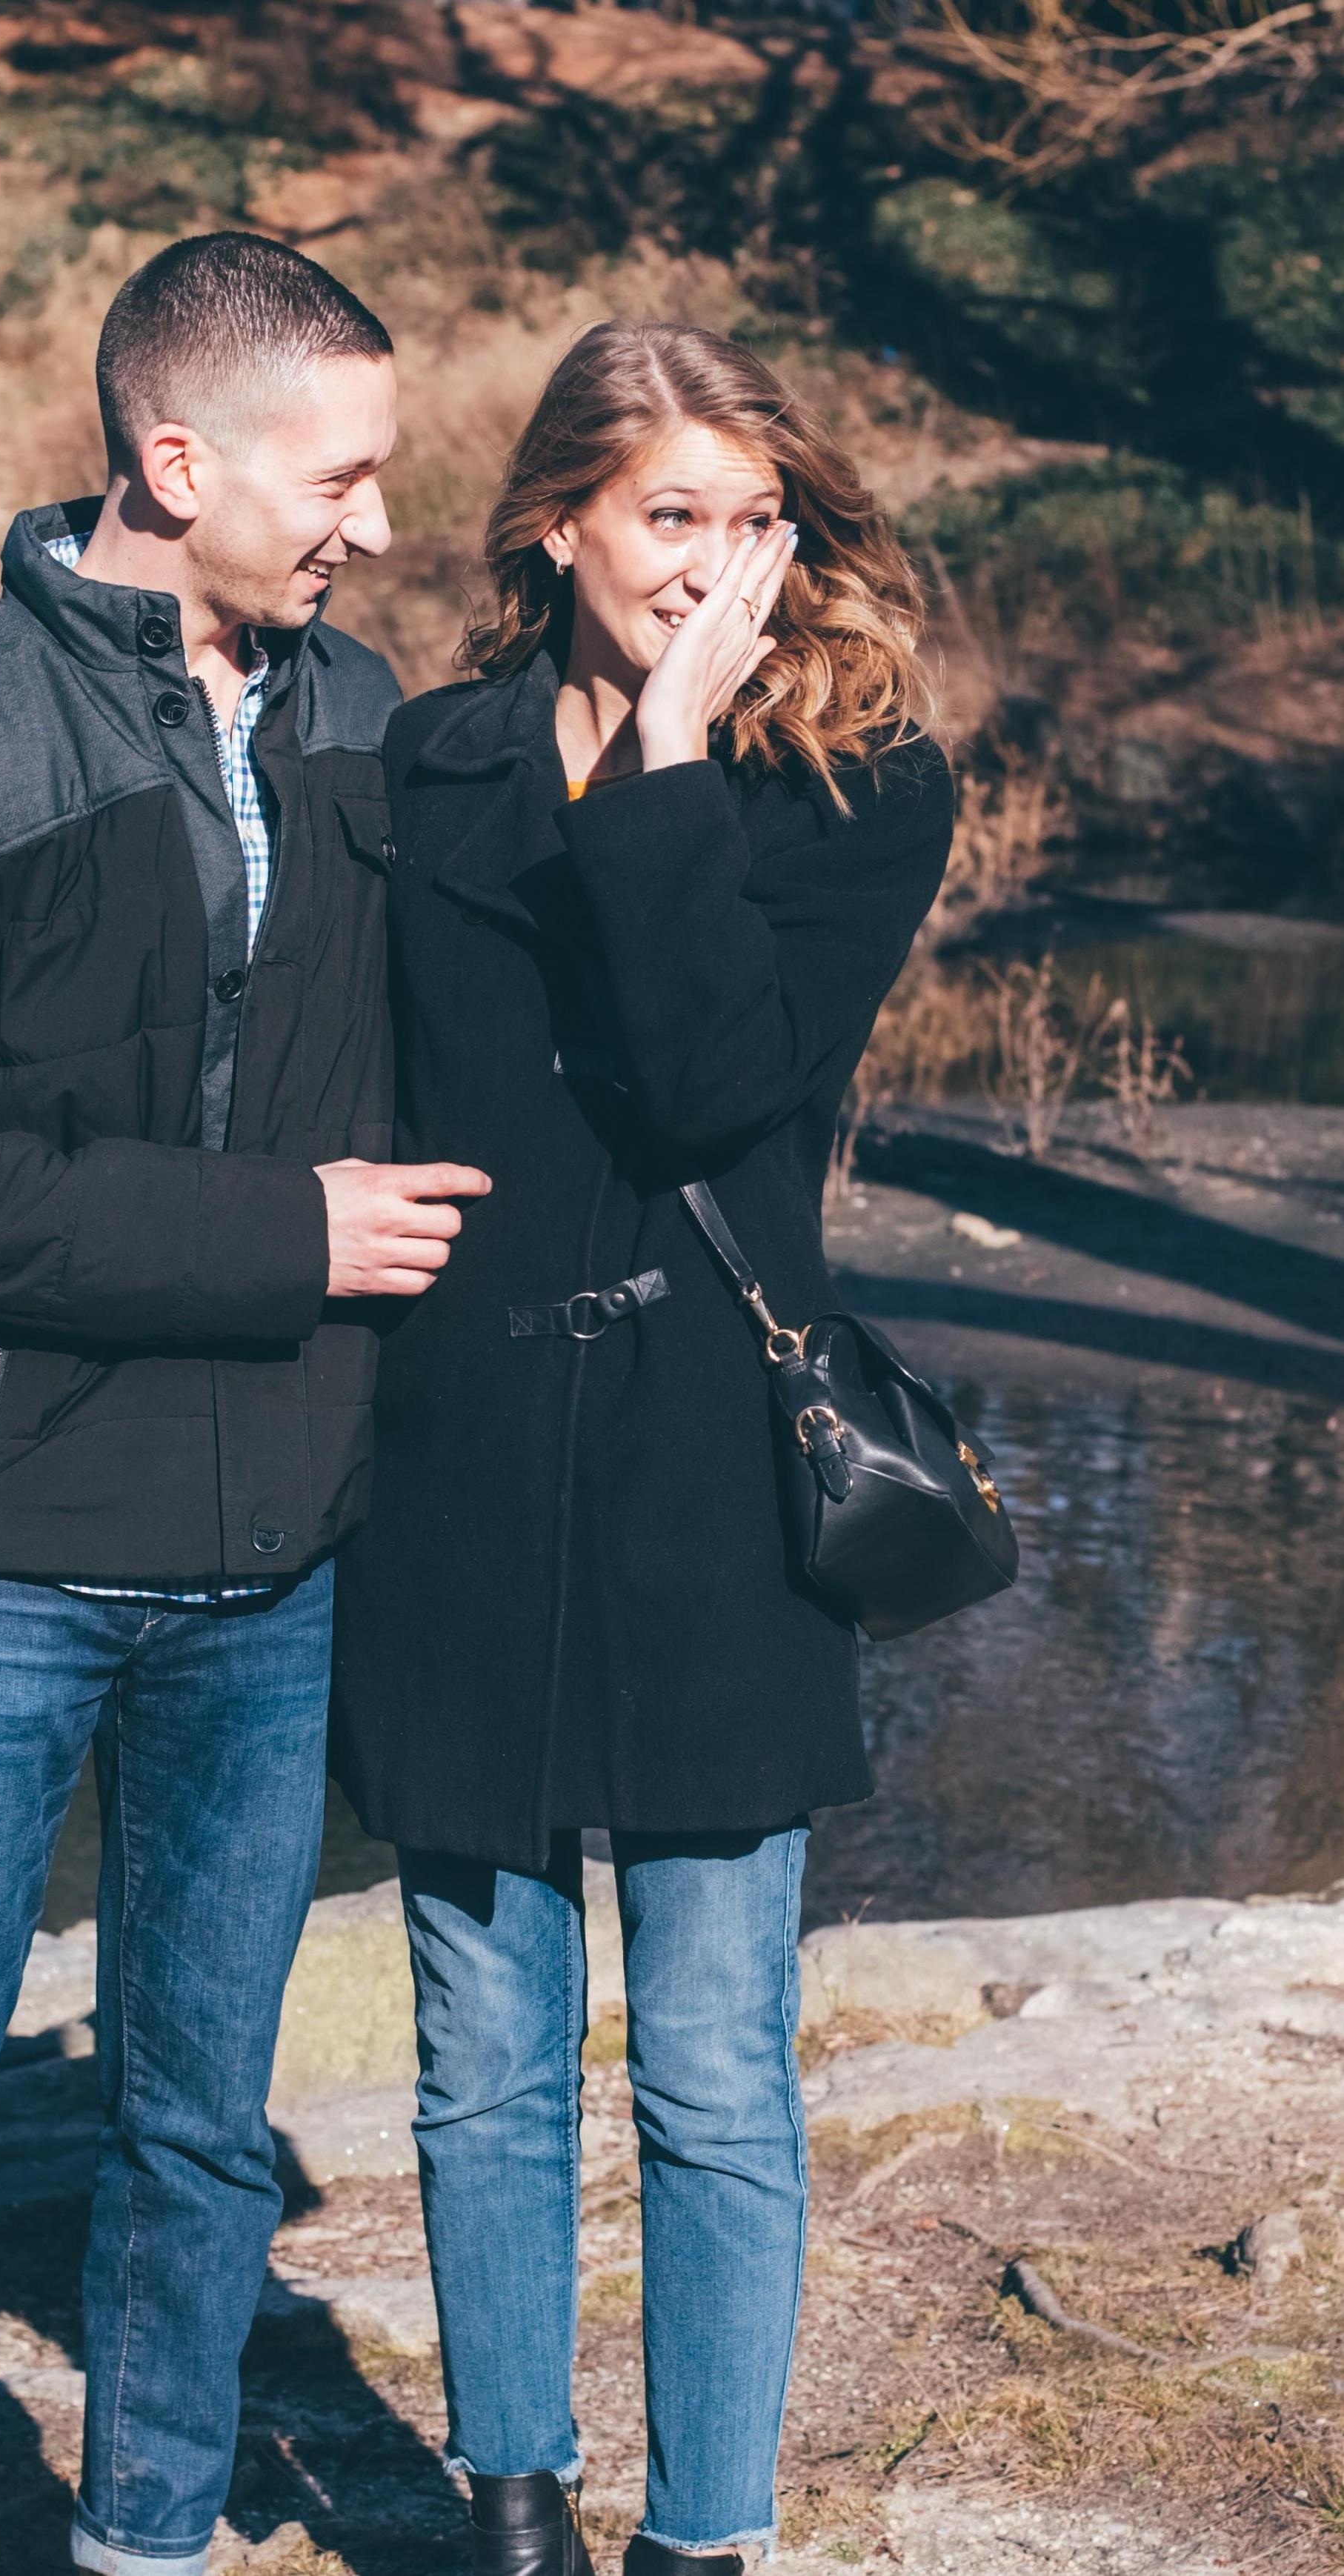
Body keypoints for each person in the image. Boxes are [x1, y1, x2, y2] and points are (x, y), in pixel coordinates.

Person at [0, 232, 489, 2576]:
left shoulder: (367, 719)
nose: (375, 524)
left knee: (200, 2136)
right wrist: (289, 1239)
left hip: (276, 1558)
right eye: (343, 477)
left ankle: (151, 2542)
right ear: (178, 463)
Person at [330, 322, 956, 2576]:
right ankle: (517, 2509)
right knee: (480, 2059)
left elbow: (708, 1087)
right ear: (558, 526)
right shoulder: (438, 763)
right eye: (671, 515)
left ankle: (705, 2535)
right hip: (461, 1476)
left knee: (710, 2076)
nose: (717, 562)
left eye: (755, 520)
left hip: (716, 1484)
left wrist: (679, 751)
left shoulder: (861, 787)